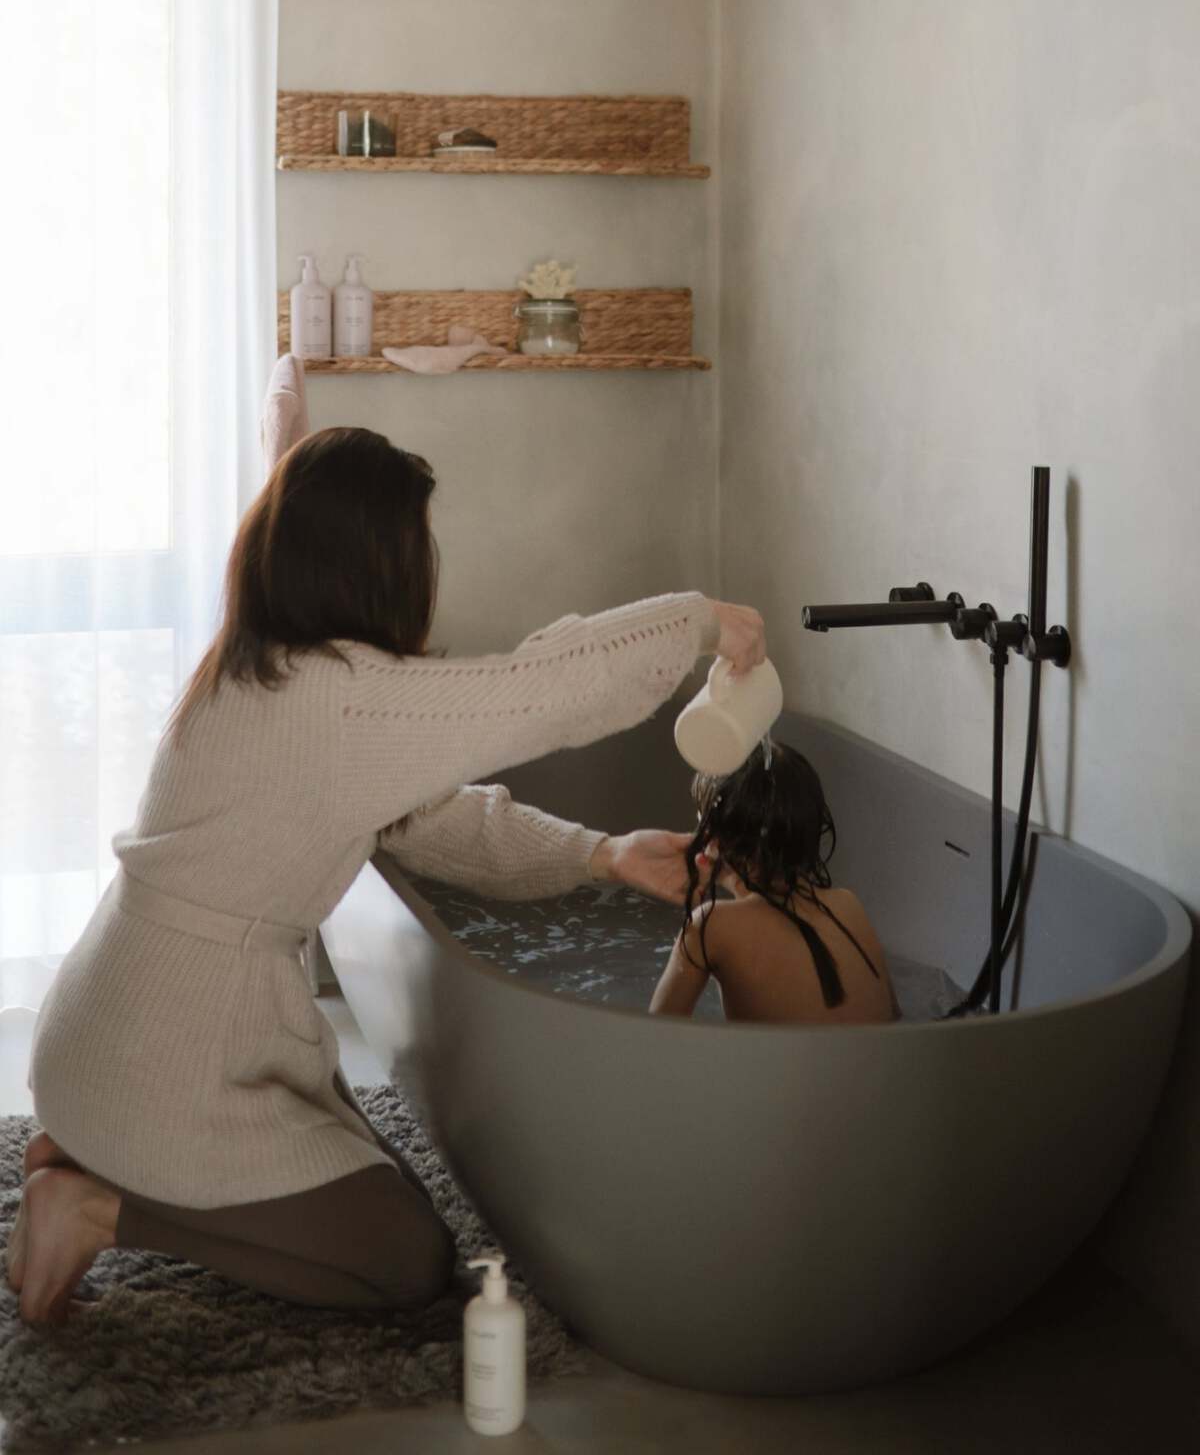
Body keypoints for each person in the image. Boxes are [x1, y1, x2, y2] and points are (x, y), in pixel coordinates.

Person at [7, 427, 766, 1327]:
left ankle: (95, 1150)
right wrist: (699, 622)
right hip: (164, 1063)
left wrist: (598, 854)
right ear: (376, 563)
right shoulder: (334, 697)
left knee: (384, 1191)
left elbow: (441, 825)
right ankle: (102, 1205)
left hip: (123, 1030)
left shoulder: (264, 673)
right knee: (405, 1262)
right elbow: (545, 686)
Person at [649, 741, 897, 1025]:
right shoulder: (848, 903)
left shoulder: (710, 927)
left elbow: (657, 1037)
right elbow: (892, 1015)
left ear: (712, 838)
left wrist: (691, 919)